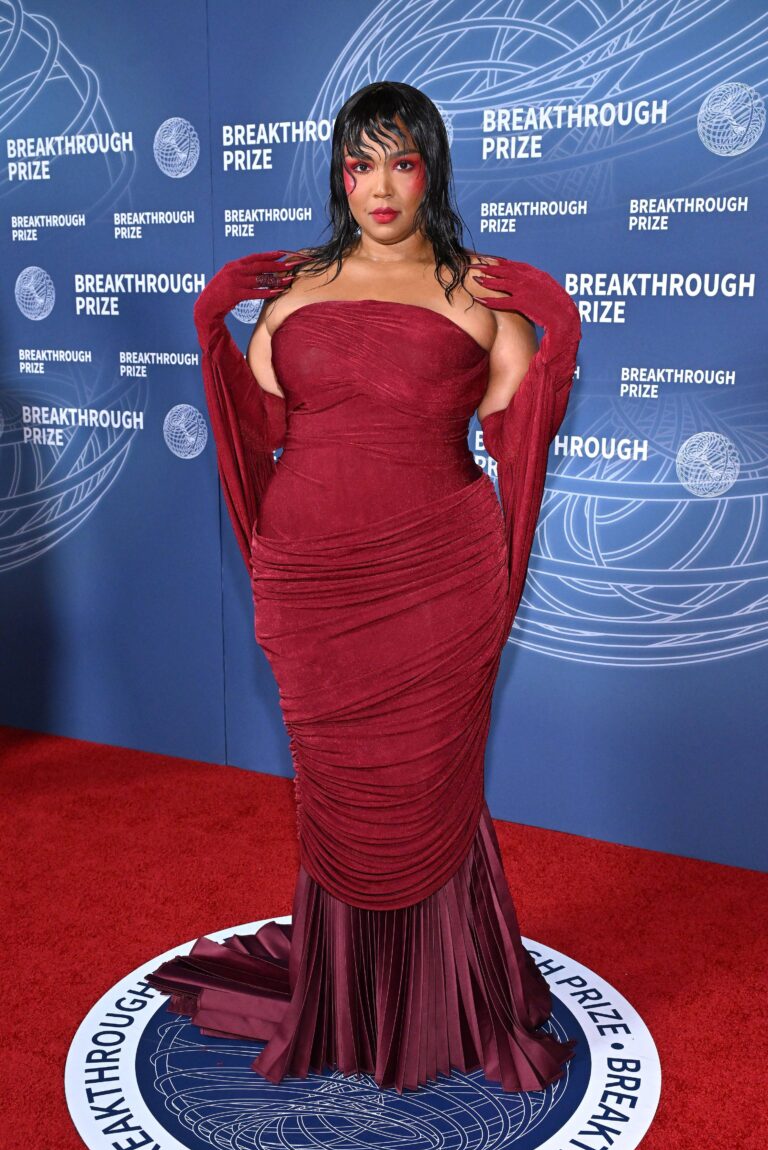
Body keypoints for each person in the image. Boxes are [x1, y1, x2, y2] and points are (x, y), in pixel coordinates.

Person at [146, 80, 582, 1094]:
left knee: (426, 786)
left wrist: (556, 335)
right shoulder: (293, 286)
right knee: (338, 793)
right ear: (339, 174)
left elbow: (519, 429)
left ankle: (446, 1001)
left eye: (401, 160)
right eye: (359, 162)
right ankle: (345, 994)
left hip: (438, 581)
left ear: (431, 169)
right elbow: (261, 417)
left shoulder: (480, 291)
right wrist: (214, 320)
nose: (379, 185)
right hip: (312, 583)